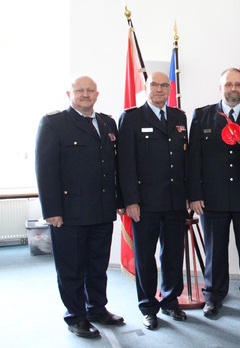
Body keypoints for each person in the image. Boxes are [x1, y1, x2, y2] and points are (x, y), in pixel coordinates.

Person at [35, 75, 124, 338]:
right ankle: (75, 316)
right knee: (71, 268)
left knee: (98, 265)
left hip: (102, 209)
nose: (85, 94)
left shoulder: (107, 123)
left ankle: (97, 308)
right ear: (69, 94)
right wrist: (52, 210)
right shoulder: (54, 123)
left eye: (90, 91)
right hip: (69, 213)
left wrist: (118, 201)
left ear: (97, 94)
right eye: (79, 90)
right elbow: (46, 170)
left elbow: (114, 167)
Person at [188, 68, 240, 317]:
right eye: (228, 84)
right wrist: (195, 194)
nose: (233, 89)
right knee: (215, 250)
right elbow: (194, 158)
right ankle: (214, 295)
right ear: (220, 88)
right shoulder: (202, 116)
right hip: (212, 198)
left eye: (238, 84)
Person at [118, 71, 189, 330]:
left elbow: (184, 161)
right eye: (154, 85)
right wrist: (130, 201)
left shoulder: (179, 117)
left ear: (169, 88)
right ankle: (148, 306)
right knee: (146, 257)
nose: (159, 89)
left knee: (172, 255)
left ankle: (170, 301)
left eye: (164, 85)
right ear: (146, 88)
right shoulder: (132, 117)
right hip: (144, 204)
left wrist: (189, 196)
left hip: (174, 201)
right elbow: (125, 164)